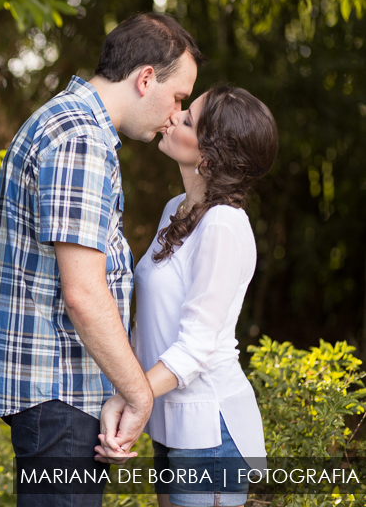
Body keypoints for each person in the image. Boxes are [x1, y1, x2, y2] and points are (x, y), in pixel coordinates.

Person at [0, 13, 204, 506]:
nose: (176, 114)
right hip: (59, 392)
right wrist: (140, 393)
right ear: (145, 78)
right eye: (177, 98)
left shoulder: (69, 124)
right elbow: (84, 293)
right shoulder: (80, 140)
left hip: (58, 394)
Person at [96, 86, 279, 507]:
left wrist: (127, 396)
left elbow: (195, 348)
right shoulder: (177, 208)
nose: (174, 115)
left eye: (189, 119)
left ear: (209, 156)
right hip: (170, 423)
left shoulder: (223, 226)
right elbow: (152, 324)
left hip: (210, 432)